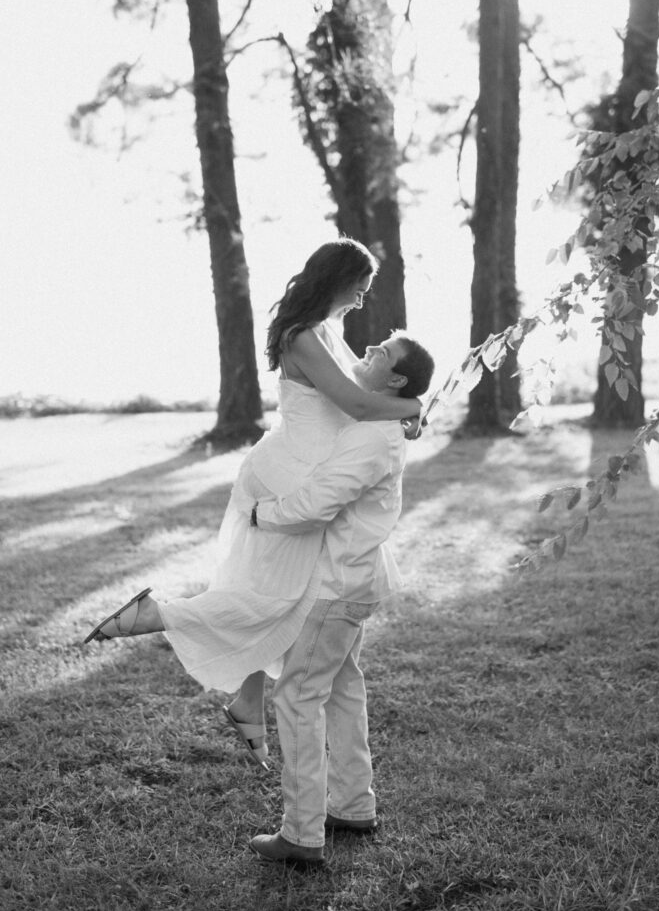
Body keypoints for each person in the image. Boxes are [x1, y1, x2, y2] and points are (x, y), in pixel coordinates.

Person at [84, 238, 423, 769]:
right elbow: (358, 404)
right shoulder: (302, 335)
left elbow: (366, 394)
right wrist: (414, 405)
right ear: (337, 279)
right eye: (360, 288)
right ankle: (157, 615)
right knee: (280, 595)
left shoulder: (326, 330)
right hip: (290, 475)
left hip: (307, 468)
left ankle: (247, 702)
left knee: (273, 588)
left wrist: (403, 412)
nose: (363, 299)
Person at [245, 331, 435, 866]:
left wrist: (261, 514)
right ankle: (353, 805)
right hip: (352, 580)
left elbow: (317, 504)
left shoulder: (373, 436)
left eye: (381, 353)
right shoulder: (378, 422)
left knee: (298, 697)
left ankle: (301, 834)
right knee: (343, 688)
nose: (368, 351)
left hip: (335, 586)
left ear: (395, 379)